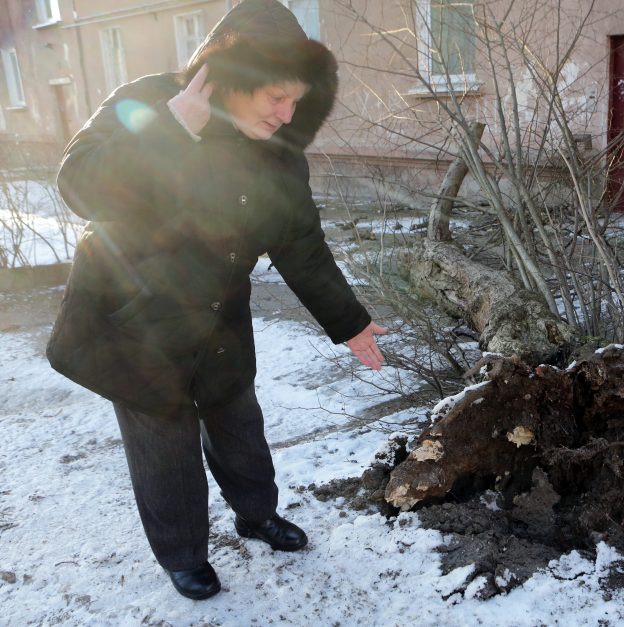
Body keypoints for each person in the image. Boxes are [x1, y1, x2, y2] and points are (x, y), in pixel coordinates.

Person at [46, 0, 386, 600]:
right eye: (274, 97)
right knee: (164, 445)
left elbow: (301, 245)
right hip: (137, 320)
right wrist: (173, 128)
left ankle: (256, 515)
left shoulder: (276, 156)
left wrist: (349, 321)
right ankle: (183, 554)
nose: (287, 114)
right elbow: (79, 184)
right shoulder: (148, 102)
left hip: (221, 319)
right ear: (233, 76)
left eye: (296, 101)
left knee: (239, 425)